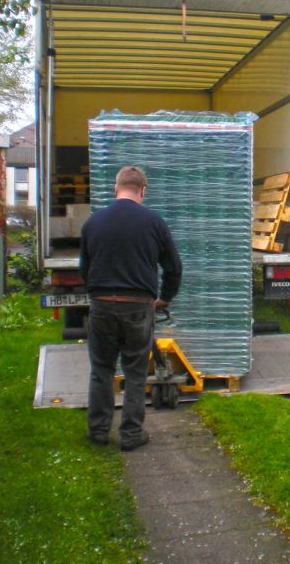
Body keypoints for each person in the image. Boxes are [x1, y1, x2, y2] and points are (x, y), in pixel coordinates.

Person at [80, 165, 182, 451]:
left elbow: (85, 268)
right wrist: (165, 297)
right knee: (135, 373)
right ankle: (131, 434)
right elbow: (174, 267)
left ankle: (98, 431)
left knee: (101, 370)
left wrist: (97, 294)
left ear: (116, 188)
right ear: (143, 191)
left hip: (101, 304)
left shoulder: (94, 222)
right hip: (138, 305)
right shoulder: (154, 222)